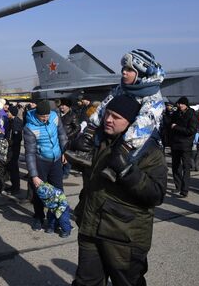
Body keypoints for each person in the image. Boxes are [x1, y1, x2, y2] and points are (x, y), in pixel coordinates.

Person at [72, 95, 167, 286]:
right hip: (90, 228)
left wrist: (127, 171)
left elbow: (156, 194)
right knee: (86, 282)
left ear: (131, 122)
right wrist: (73, 146)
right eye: (107, 114)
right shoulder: (99, 141)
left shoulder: (149, 151)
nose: (108, 119)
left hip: (123, 235)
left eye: (115, 117)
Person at [67, 50, 165, 178]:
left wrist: (124, 149)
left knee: (141, 145)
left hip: (141, 136)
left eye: (129, 69)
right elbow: (103, 108)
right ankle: (88, 154)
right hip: (119, 130)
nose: (124, 72)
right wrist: (89, 133)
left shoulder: (153, 96)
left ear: (140, 73)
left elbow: (143, 125)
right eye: (124, 68)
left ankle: (118, 169)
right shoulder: (121, 88)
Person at [23, 100, 68, 231]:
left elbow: (62, 134)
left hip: (56, 159)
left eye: (47, 116)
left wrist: (64, 151)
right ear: (37, 114)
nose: (45, 119)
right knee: (40, 192)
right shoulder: (30, 128)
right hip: (41, 161)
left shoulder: (54, 117)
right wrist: (34, 175)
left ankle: (55, 218)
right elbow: (29, 153)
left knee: (59, 190)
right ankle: (38, 217)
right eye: (42, 116)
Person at [168, 96, 198, 197]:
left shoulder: (192, 115)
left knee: (186, 167)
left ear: (186, 105)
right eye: (179, 104)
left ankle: (184, 190)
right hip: (175, 144)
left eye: (182, 104)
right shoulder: (176, 114)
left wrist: (176, 127)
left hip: (185, 145)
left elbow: (191, 131)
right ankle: (178, 186)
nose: (179, 105)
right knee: (175, 166)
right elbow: (170, 125)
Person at [59, 98, 80, 179]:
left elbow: (78, 128)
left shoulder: (73, 115)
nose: (61, 107)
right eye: (61, 105)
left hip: (68, 140)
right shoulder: (58, 114)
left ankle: (66, 172)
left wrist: (69, 136)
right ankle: (60, 170)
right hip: (58, 138)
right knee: (60, 155)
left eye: (63, 105)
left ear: (68, 107)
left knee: (67, 156)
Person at [4, 105, 23, 195]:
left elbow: (17, 138)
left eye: (8, 112)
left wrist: (9, 142)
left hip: (14, 149)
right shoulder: (11, 121)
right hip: (11, 148)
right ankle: (14, 185)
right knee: (11, 167)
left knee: (13, 167)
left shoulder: (16, 122)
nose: (7, 113)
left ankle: (16, 187)